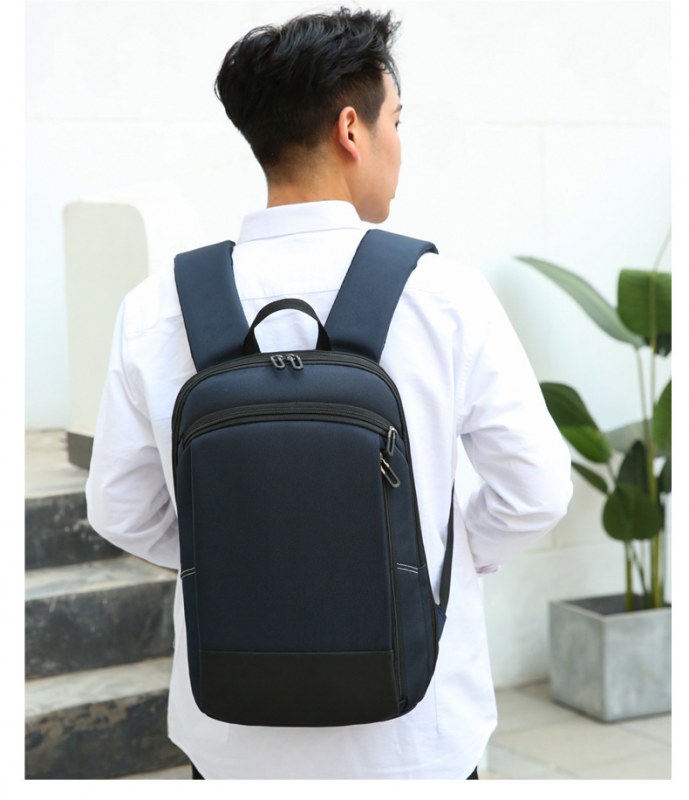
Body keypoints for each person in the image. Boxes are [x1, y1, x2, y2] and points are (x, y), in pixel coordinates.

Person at [85, 7, 572, 780]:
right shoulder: (443, 296)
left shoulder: (156, 307)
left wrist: (246, 552)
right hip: (414, 740)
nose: (398, 146)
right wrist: (419, 556)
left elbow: (119, 508)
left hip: (232, 740)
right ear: (351, 129)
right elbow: (536, 491)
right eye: (395, 122)